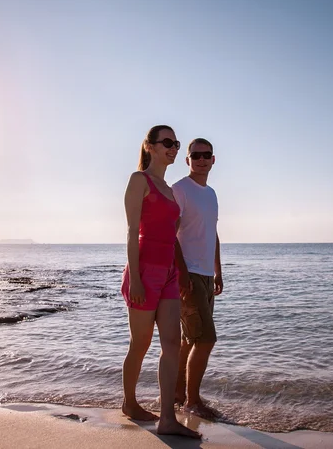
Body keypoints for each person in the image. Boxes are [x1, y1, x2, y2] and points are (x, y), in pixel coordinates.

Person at [120, 125, 200, 439]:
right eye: (167, 142)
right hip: (144, 270)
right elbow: (131, 232)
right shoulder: (139, 180)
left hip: (169, 273)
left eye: (176, 143)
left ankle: (167, 418)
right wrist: (136, 278)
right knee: (140, 344)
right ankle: (130, 403)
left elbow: (173, 233)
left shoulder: (169, 190)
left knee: (171, 346)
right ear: (150, 146)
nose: (173, 147)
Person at [173, 137, 223, 418]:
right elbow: (170, 235)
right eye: (196, 155)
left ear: (213, 159)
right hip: (188, 275)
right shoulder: (180, 190)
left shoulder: (212, 194)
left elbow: (212, 234)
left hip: (205, 274)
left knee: (190, 339)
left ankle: (179, 394)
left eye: (206, 155)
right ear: (188, 159)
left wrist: (218, 270)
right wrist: (181, 275)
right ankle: (193, 401)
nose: (201, 159)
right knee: (206, 340)